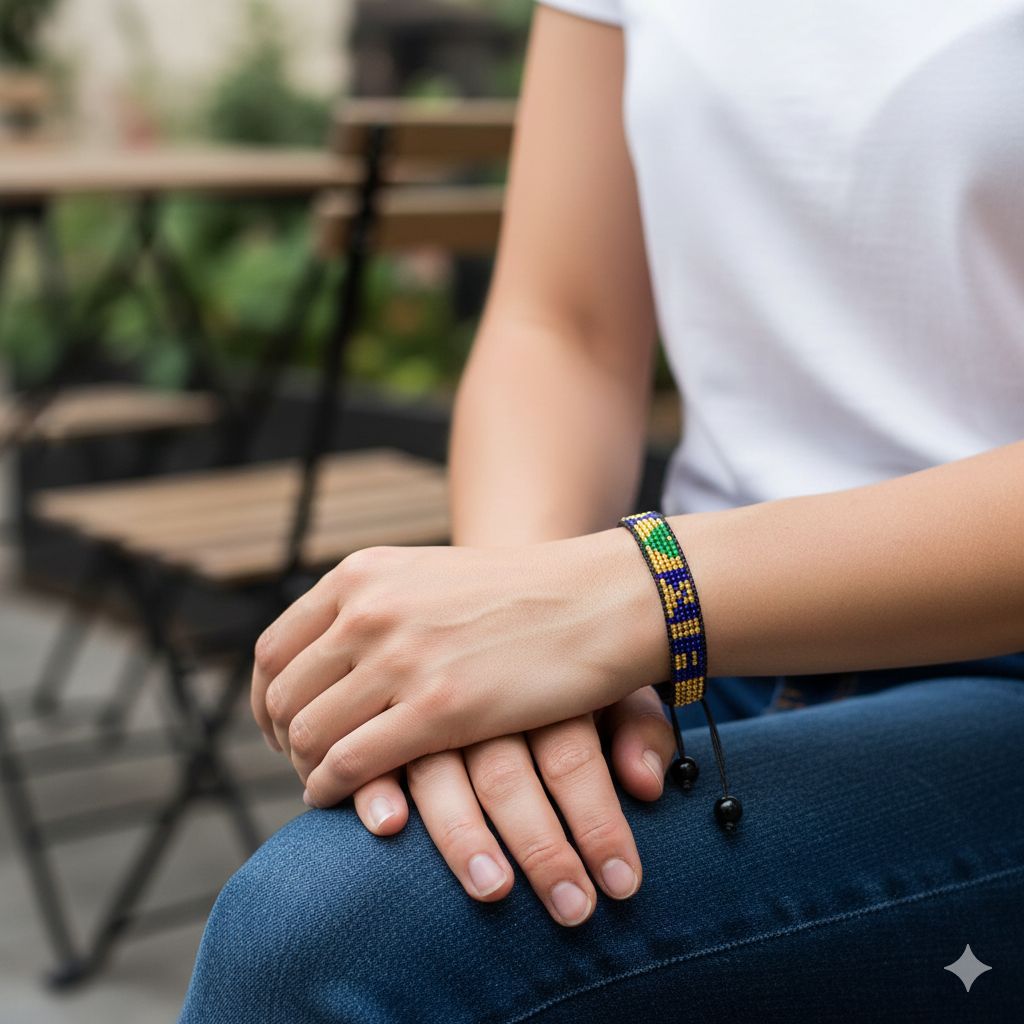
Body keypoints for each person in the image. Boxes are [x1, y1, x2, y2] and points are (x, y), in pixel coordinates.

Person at [179, 2, 1024, 1020]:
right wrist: (520, 651)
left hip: (944, 655)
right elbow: (564, 324)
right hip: (703, 659)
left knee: (330, 938)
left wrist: (635, 595)